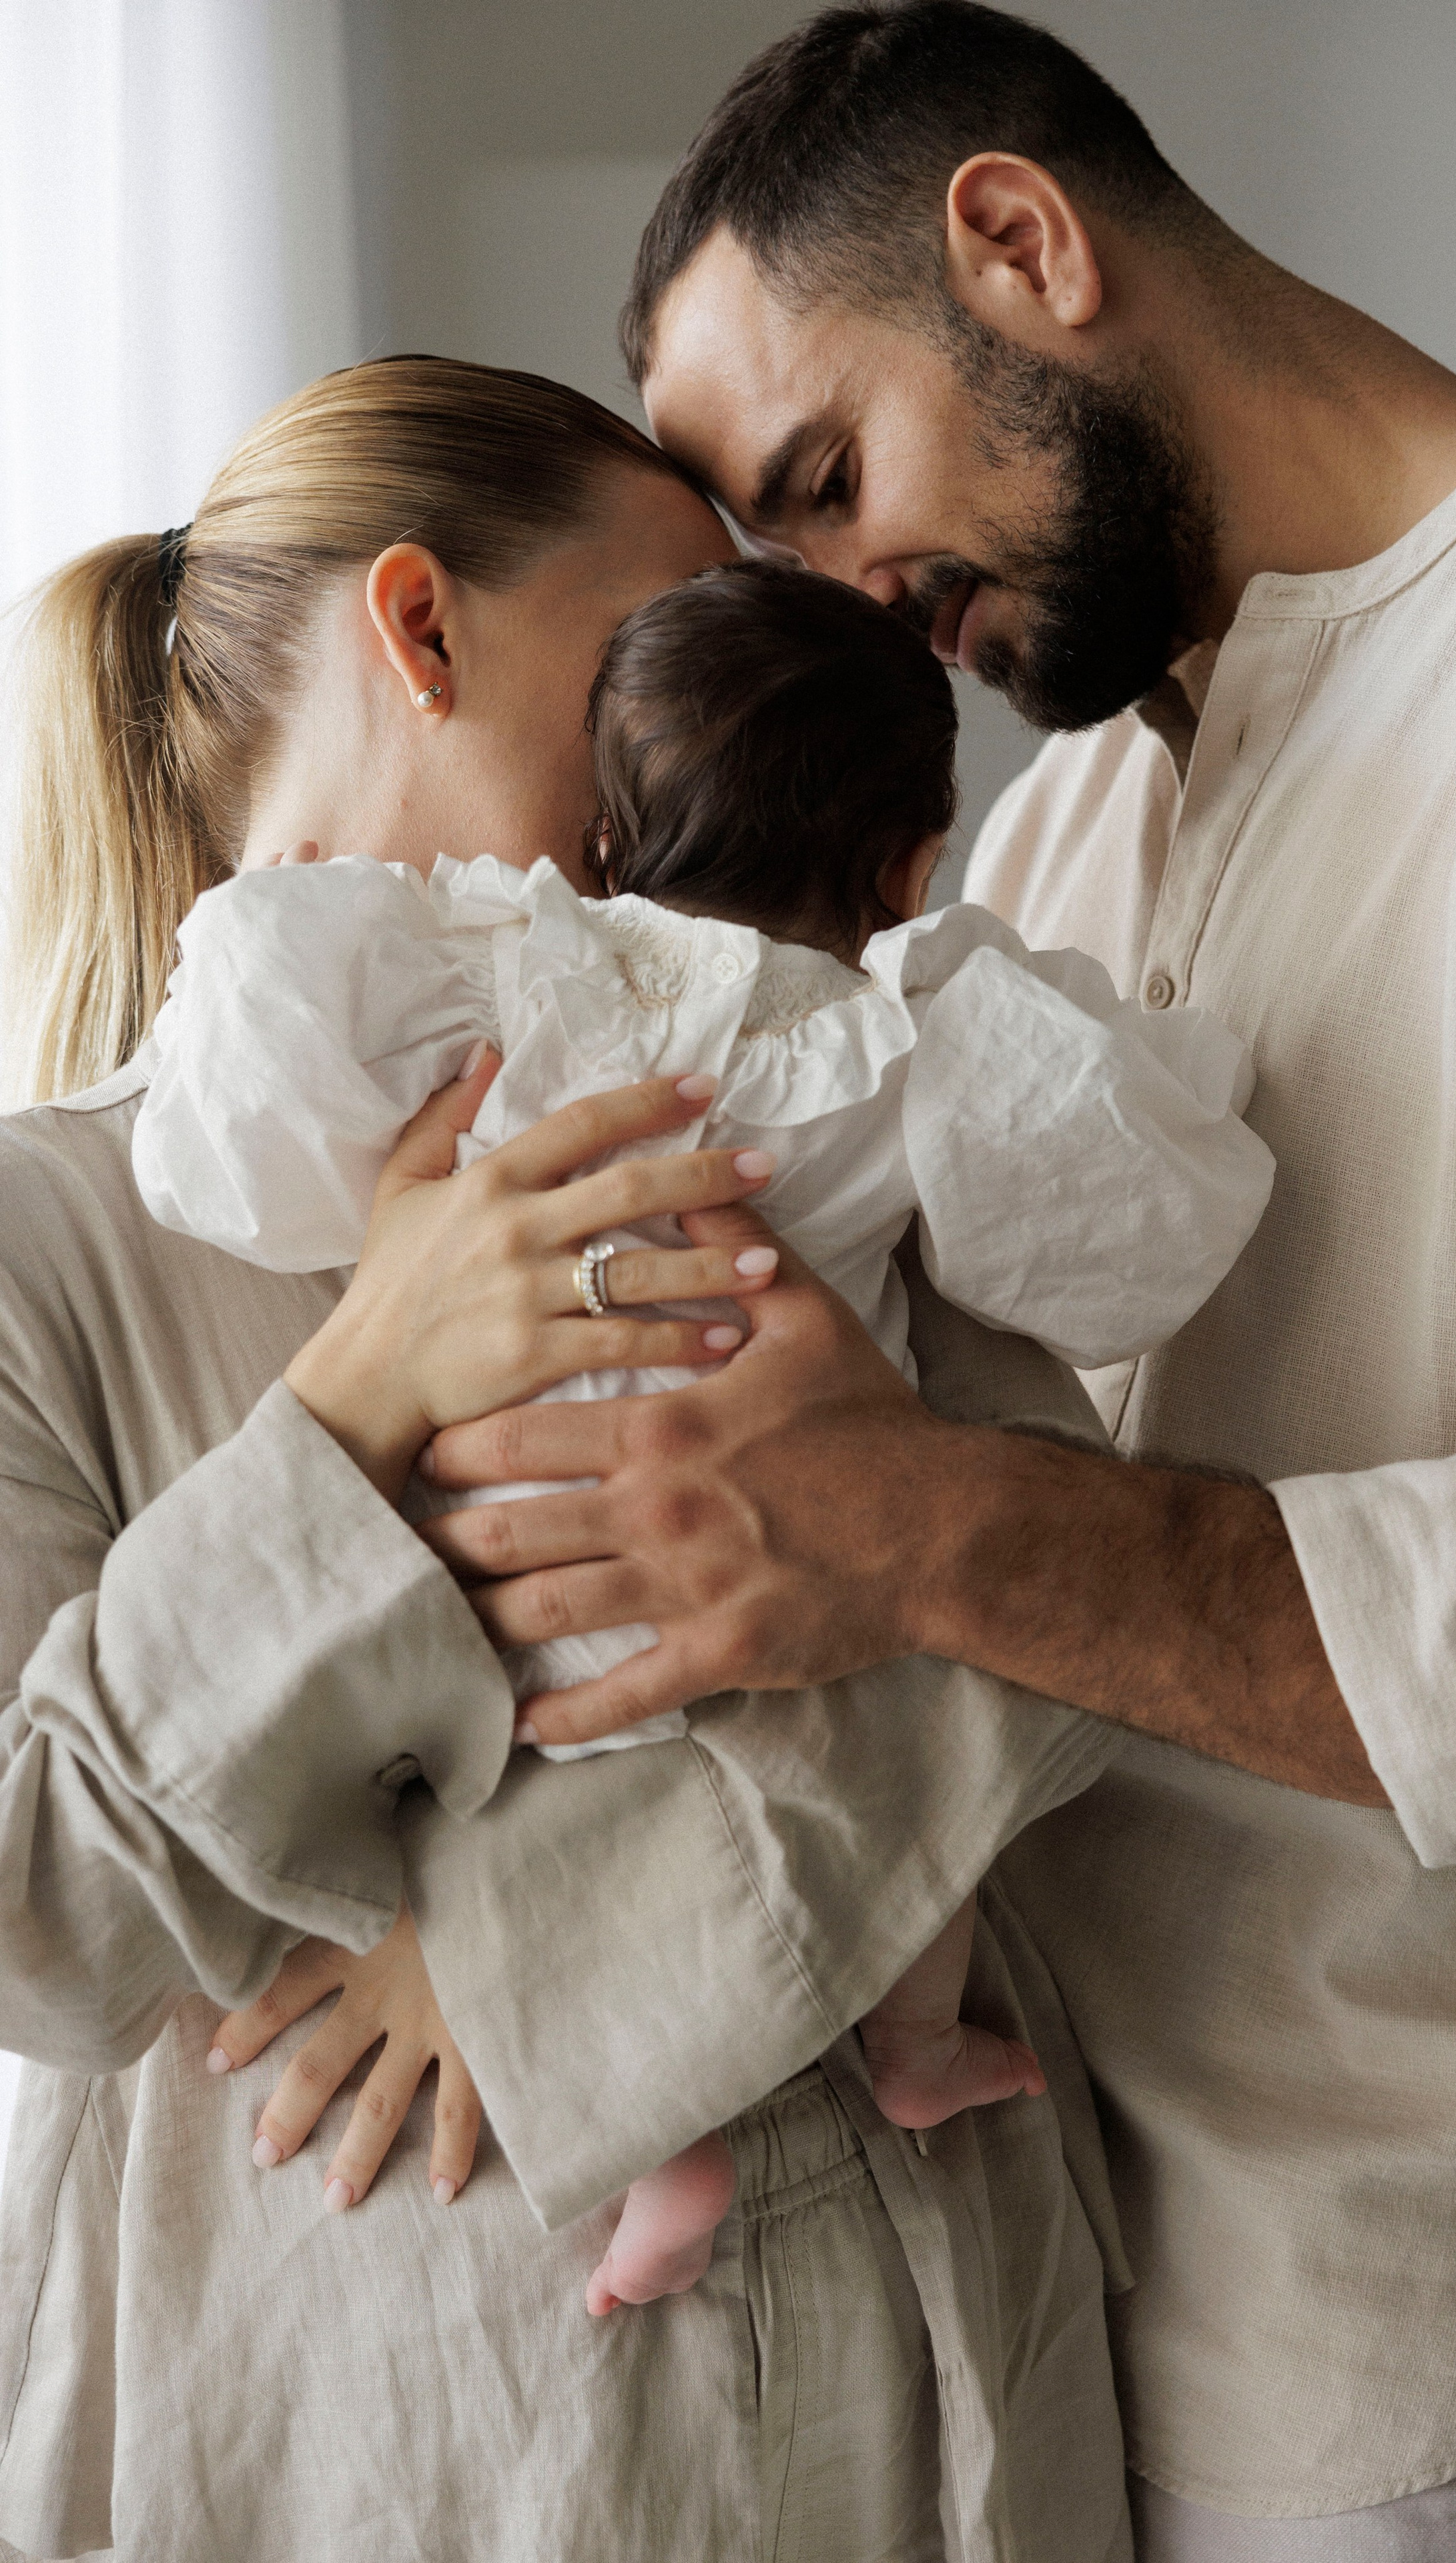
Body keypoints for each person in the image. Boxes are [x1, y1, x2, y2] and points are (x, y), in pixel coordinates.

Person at [396, 4, 1456, 2556]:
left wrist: (902, 1521)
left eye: (824, 478)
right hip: (1017, 2260)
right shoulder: (1081, 813)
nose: (847, 607)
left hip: (1378, 2338)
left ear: (1022, 243)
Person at [0, 356, 1133, 2562]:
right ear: (422, 632)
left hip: (931, 2410)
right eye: (657, 650)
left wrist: (545, 1961)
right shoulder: (50, 1242)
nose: (712, 723)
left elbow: (1064, 1614)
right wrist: (352, 1404)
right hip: (386, 2449)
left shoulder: (800, 1100)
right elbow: (33, 1920)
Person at [129, 553, 1270, 2319]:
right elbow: (1140, 1234)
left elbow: (230, 1110)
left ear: (608, 824)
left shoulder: (506, 962)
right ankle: (908, 2041)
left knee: (507, 1789)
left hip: (504, 1568)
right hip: (754, 1566)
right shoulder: (895, 1042)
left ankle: (661, 2141)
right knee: (919, 1786)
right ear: (910, 858)